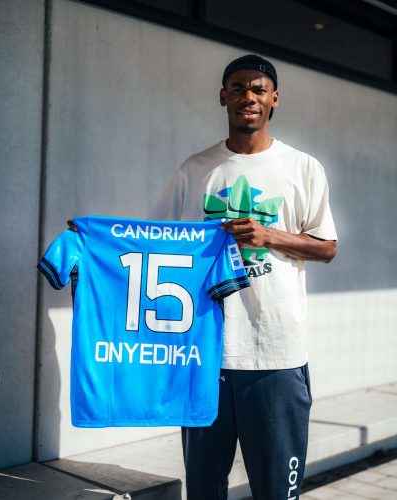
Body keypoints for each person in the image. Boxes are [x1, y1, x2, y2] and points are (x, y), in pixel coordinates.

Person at [150, 54, 338, 500]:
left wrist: (267, 235)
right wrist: (91, 243)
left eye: (258, 89)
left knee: (276, 491)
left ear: (274, 99)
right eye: (237, 88)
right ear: (223, 97)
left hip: (275, 354)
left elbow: (327, 247)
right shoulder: (196, 169)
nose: (247, 97)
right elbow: (156, 242)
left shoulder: (302, 168)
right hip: (206, 353)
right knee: (203, 490)